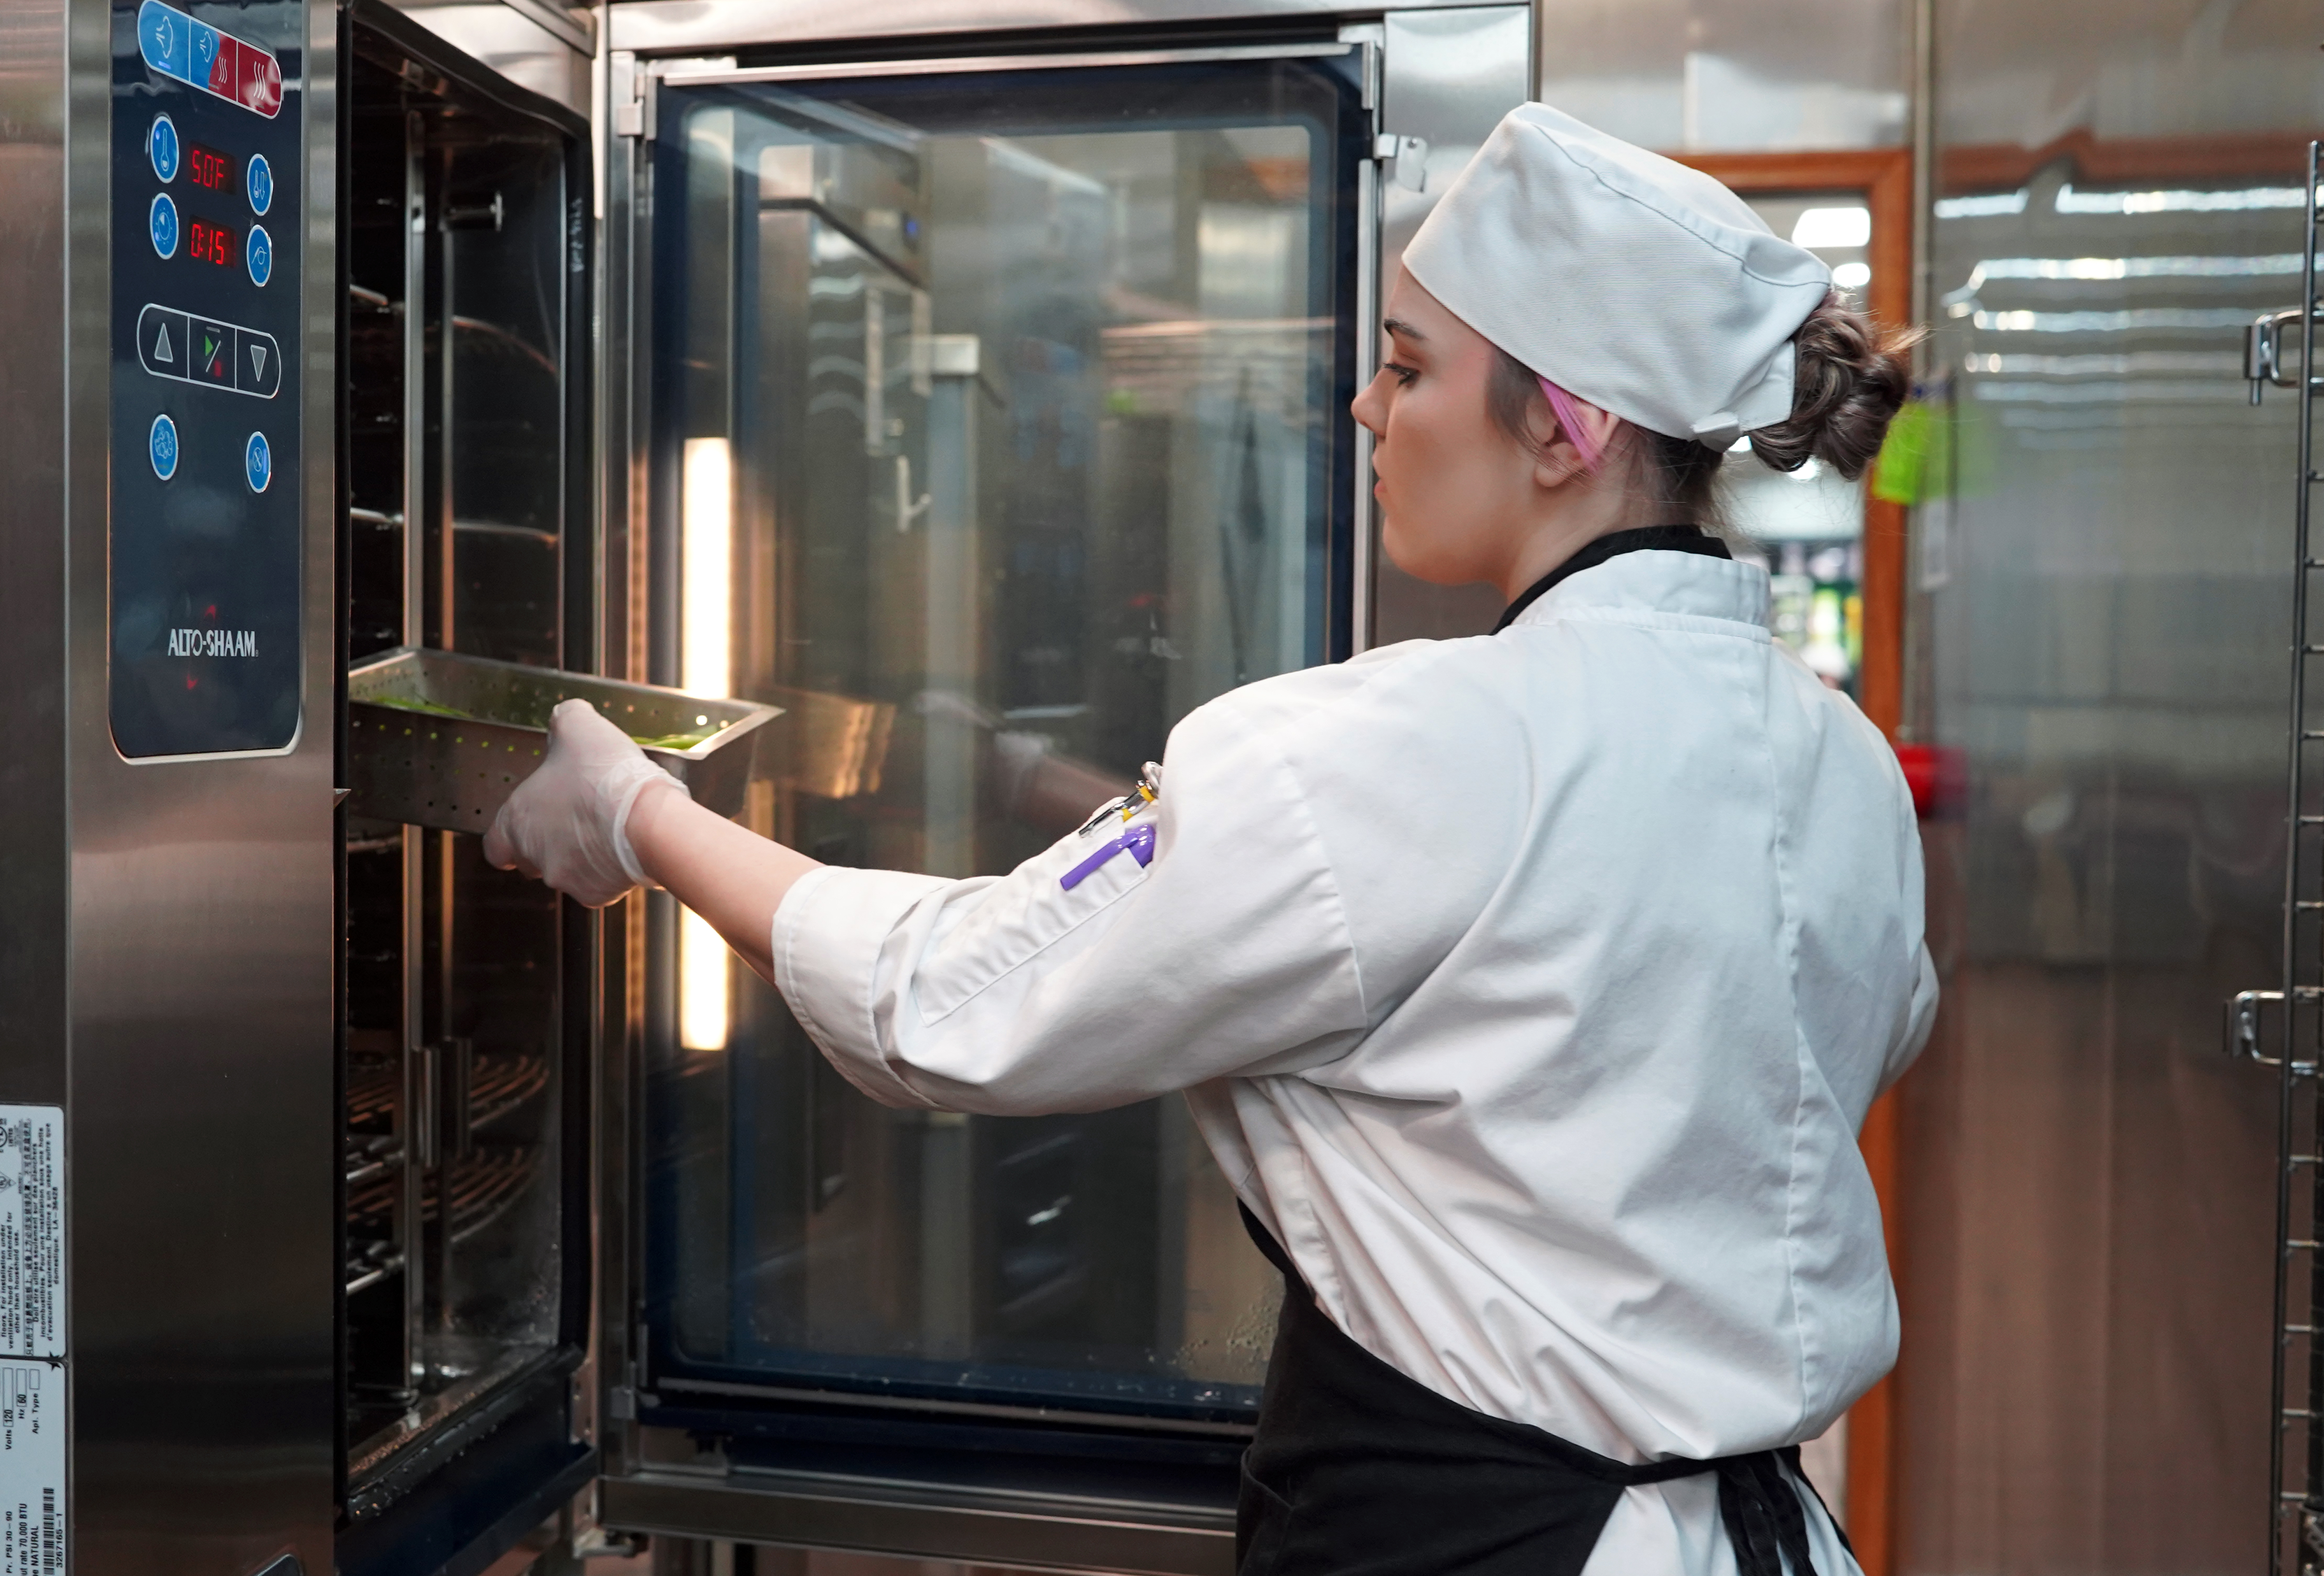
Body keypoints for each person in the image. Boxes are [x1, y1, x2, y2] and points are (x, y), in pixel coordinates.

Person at [485, 102, 1935, 1576]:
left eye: (1410, 366)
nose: (1369, 410)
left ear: (1564, 425)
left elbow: (946, 1005)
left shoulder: (1403, 742)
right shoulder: (1842, 765)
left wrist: (637, 811)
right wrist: (1049, 789)